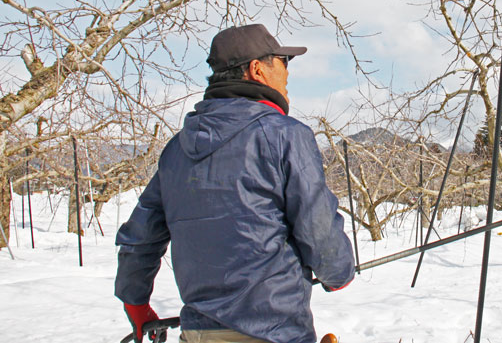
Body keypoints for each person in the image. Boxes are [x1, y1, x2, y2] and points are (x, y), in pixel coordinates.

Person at [115, 24, 355, 343]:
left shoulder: (177, 150)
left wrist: (136, 304)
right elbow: (318, 229)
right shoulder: (286, 136)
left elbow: (140, 239)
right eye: (282, 61)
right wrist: (338, 273)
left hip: (197, 334)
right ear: (257, 69)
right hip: (275, 333)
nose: (287, 72)